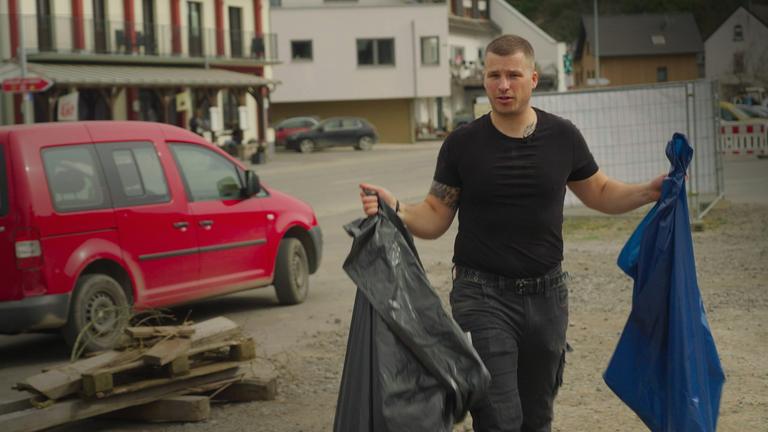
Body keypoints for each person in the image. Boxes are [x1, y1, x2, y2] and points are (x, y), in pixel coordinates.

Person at [359, 34, 664, 432]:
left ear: (533, 79)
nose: (503, 85)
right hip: (482, 296)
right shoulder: (462, 144)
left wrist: (650, 191)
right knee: (499, 419)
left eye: (513, 75)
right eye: (494, 76)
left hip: (548, 298)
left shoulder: (563, 137)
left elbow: (601, 192)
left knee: (537, 419)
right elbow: (435, 215)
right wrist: (396, 208)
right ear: (484, 80)